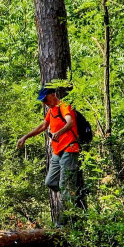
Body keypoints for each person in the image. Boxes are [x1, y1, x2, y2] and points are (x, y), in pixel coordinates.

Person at [16, 86, 82, 218]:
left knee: (65, 186)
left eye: (45, 99)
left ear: (53, 95)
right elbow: (42, 126)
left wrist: (59, 132)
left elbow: (69, 122)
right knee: (50, 182)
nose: (44, 103)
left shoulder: (63, 106)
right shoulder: (51, 110)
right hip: (58, 152)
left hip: (69, 148)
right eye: (43, 101)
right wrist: (25, 137)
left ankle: (67, 222)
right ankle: (72, 192)